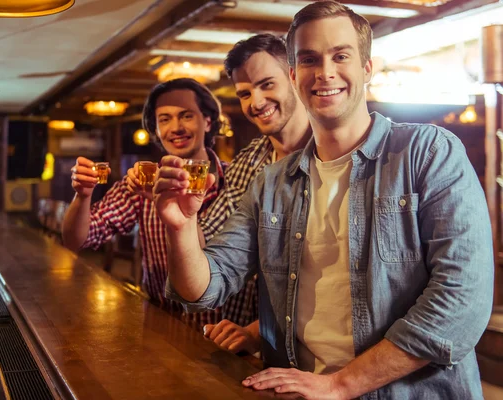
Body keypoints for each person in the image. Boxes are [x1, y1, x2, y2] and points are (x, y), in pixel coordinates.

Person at [153, 1, 493, 398]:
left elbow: (461, 301)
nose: (325, 72)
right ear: (295, 75)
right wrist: (181, 227)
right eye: (310, 59)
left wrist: (341, 384)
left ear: (367, 67)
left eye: (340, 55)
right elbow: (204, 290)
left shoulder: (428, 152)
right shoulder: (271, 182)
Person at [61, 78, 231, 327]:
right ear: (156, 129)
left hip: (227, 336)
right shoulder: (144, 182)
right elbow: (77, 239)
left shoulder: (237, 180)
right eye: (164, 119)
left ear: (207, 121)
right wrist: (83, 195)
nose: (176, 127)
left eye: (186, 116)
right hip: (164, 326)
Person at [197, 34, 311, 355]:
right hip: (250, 345)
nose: (255, 102)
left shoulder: (331, 154)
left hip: (313, 354)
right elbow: (212, 247)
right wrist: (184, 215)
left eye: (266, 84)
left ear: (293, 76)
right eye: (245, 93)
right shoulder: (250, 159)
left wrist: (261, 330)